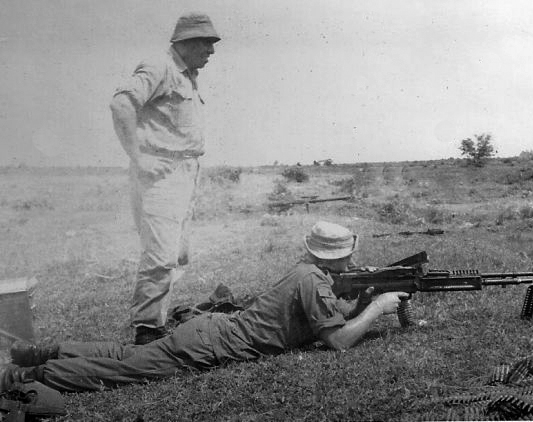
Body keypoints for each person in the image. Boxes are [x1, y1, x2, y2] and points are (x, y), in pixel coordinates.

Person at [0, 222, 408, 393]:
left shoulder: (308, 273)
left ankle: (43, 351)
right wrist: (378, 309)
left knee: (129, 354)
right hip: (207, 347)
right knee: (123, 371)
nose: (354, 262)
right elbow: (337, 340)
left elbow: (327, 311)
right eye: (348, 256)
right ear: (332, 258)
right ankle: (27, 374)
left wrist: (361, 299)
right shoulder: (314, 281)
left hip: (208, 331)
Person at [109, 12, 220, 344]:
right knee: (161, 255)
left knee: (177, 254)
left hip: (184, 173)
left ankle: (155, 319)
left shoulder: (187, 75)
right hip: (161, 174)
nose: (211, 52)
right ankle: (147, 332)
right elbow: (121, 105)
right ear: (185, 43)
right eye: (206, 43)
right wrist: (138, 156)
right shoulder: (160, 67)